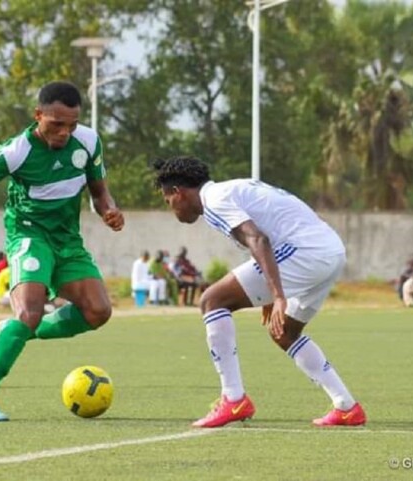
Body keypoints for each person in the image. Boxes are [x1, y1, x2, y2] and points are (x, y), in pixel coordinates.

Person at [0, 81, 125, 421]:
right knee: (28, 312)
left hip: (68, 240)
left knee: (98, 311)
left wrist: (109, 211)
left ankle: (16, 331)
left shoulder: (88, 142)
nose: (64, 131)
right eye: (56, 123)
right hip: (28, 236)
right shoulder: (15, 151)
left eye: (71, 124)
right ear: (38, 115)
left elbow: (99, 190)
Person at [153, 156, 365, 428]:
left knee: (212, 300)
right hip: (330, 251)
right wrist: (268, 292)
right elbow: (267, 233)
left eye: (167, 201)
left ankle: (233, 399)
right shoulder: (229, 190)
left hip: (306, 253)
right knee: (285, 332)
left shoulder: (214, 200)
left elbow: (258, 239)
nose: (171, 208)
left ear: (178, 193)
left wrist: (277, 295)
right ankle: (346, 406)